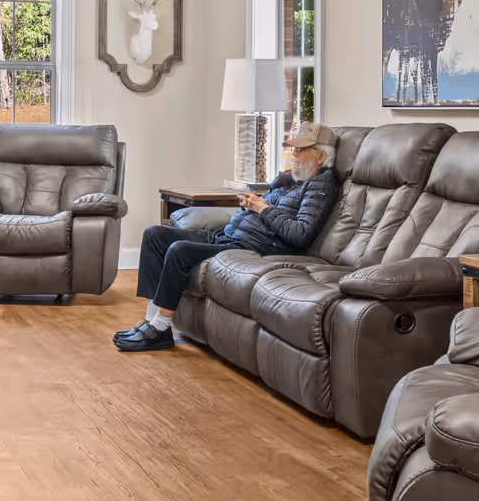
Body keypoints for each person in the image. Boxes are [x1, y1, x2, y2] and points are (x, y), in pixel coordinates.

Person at [115, 122, 340, 353]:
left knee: (180, 250)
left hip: (252, 248)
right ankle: (152, 322)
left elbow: (299, 233)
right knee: (155, 234)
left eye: (301, 149)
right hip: (228, 236)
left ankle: (160, 329)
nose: (294, 152)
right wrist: (257, 199)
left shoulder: (320, 185)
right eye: (293, 147)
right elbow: (269, 209)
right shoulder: (292, 179)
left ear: (321, 157)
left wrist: (263, 208)